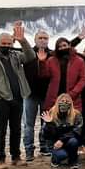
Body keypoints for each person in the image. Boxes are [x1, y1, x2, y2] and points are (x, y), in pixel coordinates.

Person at [0, 22, 35, 169]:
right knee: (1, 129)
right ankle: (0, 159)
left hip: (18, 98)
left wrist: (22, 40)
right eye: (3, 43)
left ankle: (16, 157)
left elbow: (30, 56)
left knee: (16, 129)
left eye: (9, 43)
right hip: (1, 100)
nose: (6, 46)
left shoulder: (16, 56)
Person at [21, 29, 51, 160]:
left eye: (45, 38)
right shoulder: (27, 53)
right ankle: (29, 150)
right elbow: (11, 51)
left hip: (47, 96)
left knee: (46, 123)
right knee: (29, 125)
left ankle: (44, 147)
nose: (43, 40)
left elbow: (67, 47)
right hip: (30, 95)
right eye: (40, 38)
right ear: (35, 40)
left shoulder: (52, 54)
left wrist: (78, 38)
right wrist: (20, 39)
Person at [39, 37, 85, 113]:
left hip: (72, 98)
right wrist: (42, 62)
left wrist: (73, 93)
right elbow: (45, 75)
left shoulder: (79, 60)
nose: (62, 48)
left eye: (64, 45)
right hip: (54, 97)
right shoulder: (51, 60)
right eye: (60, 46)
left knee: (72, 122)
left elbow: (83, 78)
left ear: (69, 45)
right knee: (53, 123)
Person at [42, 93, 83, 169]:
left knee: (73, 141)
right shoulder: (51, 113)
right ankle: (55, 159)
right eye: (62, 101)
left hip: (68, 141)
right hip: (54, 143)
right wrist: (49, 124)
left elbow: (77, 131)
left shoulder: (76, 114)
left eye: (67, 101)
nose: (64, 103)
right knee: (62, 155)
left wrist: (62, 140)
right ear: (57, 102)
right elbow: (46, 136)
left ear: (71, 103)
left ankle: (73, 161)